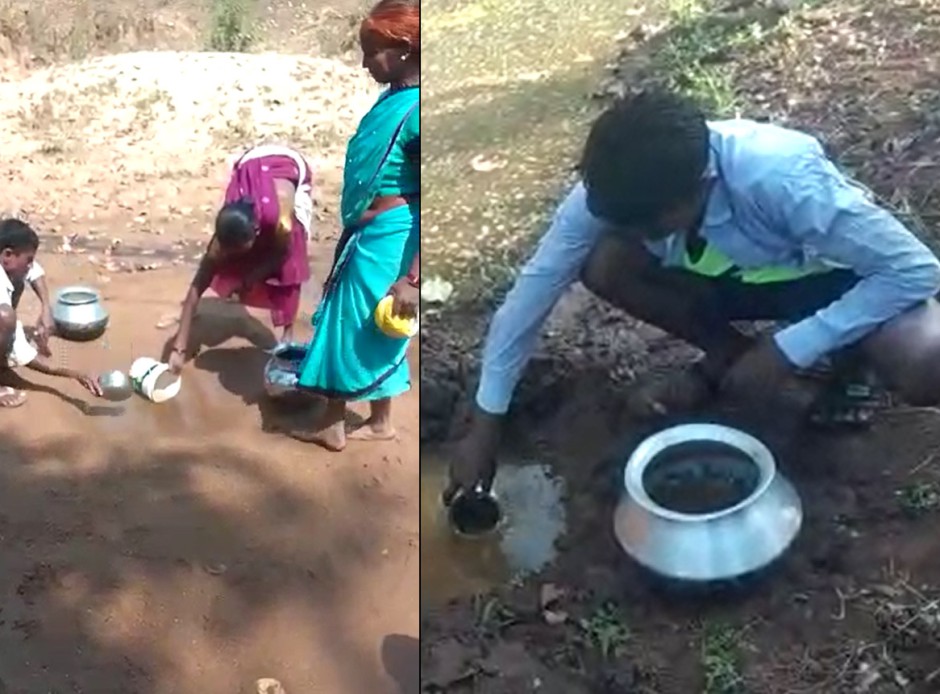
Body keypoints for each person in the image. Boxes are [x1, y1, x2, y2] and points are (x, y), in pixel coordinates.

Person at [446, 89, 940, 501]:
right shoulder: (615, 193)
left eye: (648, 224)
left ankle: (852, 365)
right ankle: (727, 356)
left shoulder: (779, 177)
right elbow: (533, 291)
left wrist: (791, 347)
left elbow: (916, 269)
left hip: (835, 280)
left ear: (701, 186)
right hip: (743, 281)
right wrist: (487, 421)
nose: (636, 232)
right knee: (605, 262)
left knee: (925, 358)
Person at [292, 0, 420, 451]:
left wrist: (413, 278)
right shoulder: (397, 99)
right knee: (383, 324)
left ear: (404, 49)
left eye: (372, 52)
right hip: (379, 232)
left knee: (348, 323)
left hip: (390, 236)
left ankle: (331, 423)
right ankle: (380, 421)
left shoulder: (419, 111)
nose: (366, 63)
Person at [166, 145, 314, 373]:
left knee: (289, 270)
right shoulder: (224, 236)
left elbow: (282, 255)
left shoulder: (282, 221)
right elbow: (197, 286)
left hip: (289, 167)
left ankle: (287, 337)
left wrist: (252, 277)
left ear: (256, 232)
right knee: (231, 263)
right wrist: (178, 349)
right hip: (252, 164)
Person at [0, 219, 103, 406]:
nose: (31, 265)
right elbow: (24, 354)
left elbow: (34, 272)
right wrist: (75, 373)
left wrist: (46, 307)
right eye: (28, 260)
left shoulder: (7, 261)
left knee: (16, 284)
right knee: (5, 317)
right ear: (7, 255)